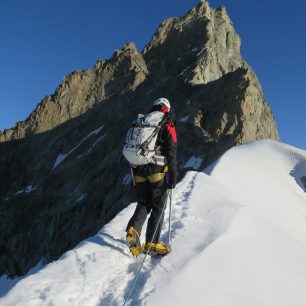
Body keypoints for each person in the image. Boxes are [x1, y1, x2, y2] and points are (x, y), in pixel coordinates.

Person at [126, 97, 177, 256]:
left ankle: (133, 230)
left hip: (138, 170)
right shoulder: (167, 124)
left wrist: (134, 177)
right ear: (167, 110)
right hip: (156, 170)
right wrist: (173, 177)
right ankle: (152, 243)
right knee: (158, 205)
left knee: (144, 202)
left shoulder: (140, 123)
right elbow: (172, 154)